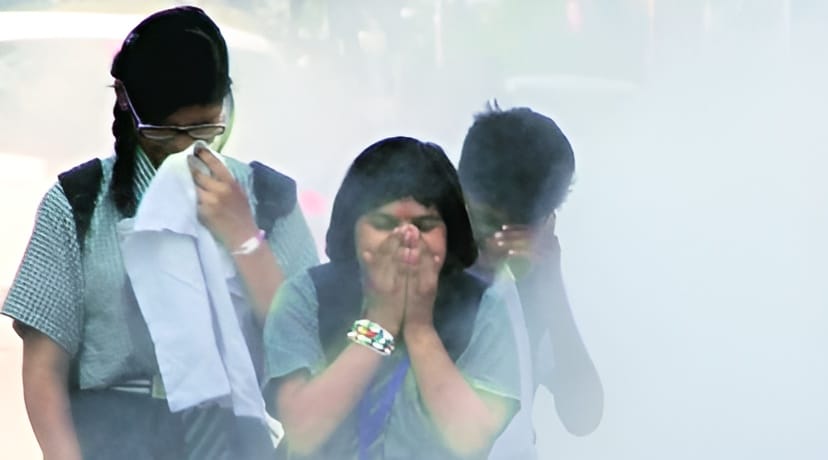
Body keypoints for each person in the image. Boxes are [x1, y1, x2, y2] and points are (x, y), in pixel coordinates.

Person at [2, 6, 318, 460]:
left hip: (234, 436)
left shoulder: (269, 200)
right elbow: (44, 369)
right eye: (168, 131)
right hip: (114, 432)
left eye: (206, 126)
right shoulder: (79, 203)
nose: (189, 145)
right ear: (127, 105)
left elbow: (304, 339)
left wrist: (244, 236)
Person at [263, 136, 521, 459]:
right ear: (353, 230)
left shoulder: (484, 308)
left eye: (424, 225)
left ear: (450, 233)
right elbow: (303, 430)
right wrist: (380, 321)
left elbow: (471, 439)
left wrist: (419, 327)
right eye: (384, 224)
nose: (406, 239)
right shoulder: (306, 296)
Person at [457, 104, 604, 458]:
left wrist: (552, 289)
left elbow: (582, 415)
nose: (494, 245)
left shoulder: (526, 288)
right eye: (485, 224)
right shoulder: (409, 266)